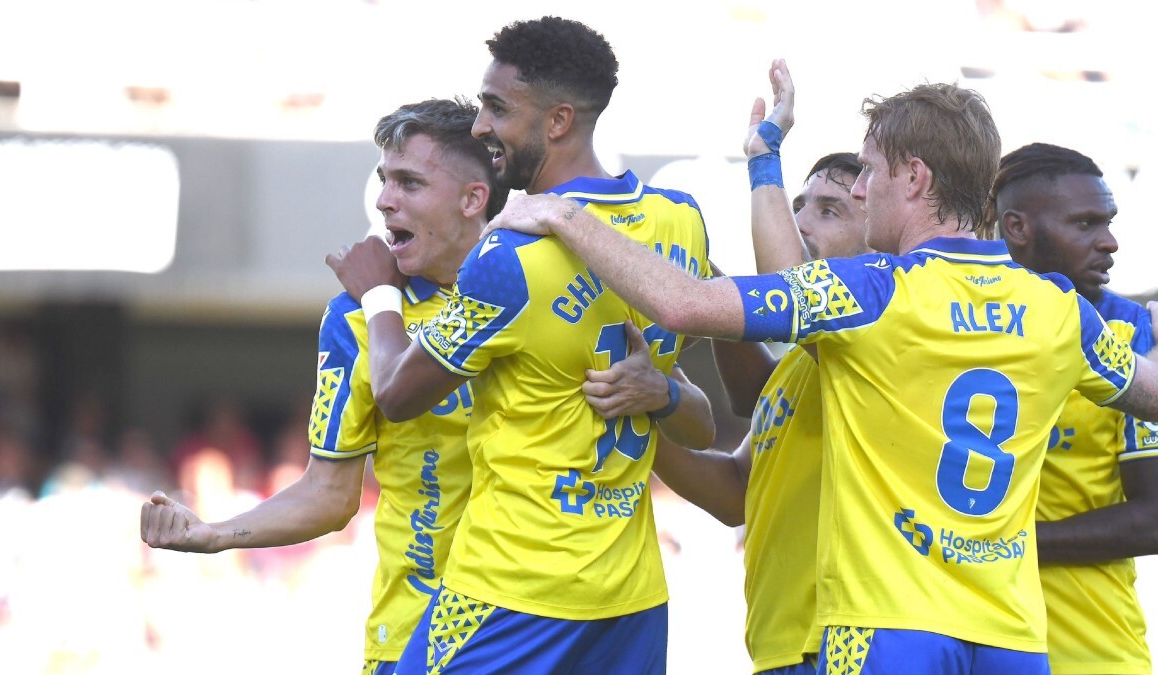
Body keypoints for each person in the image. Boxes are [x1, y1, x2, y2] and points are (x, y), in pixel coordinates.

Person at [488, 71, 1158, 672]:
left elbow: (684, 303)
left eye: (869, 172)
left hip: (888, 630)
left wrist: (564, 214)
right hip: (1011, 635)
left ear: (915, 178)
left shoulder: (872, 293)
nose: (863, 189)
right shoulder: (1061, 309)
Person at [326, 16, 714, 673]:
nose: (481, 126)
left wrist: (379, 296)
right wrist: (668, 391)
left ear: (558, 121)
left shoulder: (509, 255)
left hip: (509, 589)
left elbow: (395, 394)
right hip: (631, 599)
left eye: (497, 108)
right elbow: (701, 417)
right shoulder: (681, 219)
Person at [140, 97, 508, 674]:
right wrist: (216, 534)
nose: (386, 199)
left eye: (409, 182)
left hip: (545, 618)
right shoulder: (352, 317)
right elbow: (329, 494)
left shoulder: (533, 283)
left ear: (472, 199)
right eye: (385, 180)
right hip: (421, 631)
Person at [655, 148, 868, 675]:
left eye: (829, 210)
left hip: (841, 646)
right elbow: (736, 493)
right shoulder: (804, 359)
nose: (797, 224)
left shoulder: (867, 341)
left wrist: (763, 158)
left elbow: (758, 345)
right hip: (784, 644)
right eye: (799, 206)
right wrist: (640, 417)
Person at [989, 142, 1158, 675]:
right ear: (1016, 228)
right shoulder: (954, 321)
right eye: (1085, 224)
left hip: (1093, 652)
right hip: (962, 642)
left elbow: (1154, 516)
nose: (1108, 242)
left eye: (1106, 222)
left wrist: (998, 545)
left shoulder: (1134, 338)